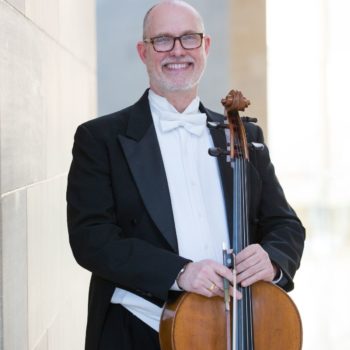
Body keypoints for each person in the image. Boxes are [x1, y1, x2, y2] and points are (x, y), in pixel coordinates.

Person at [66, 1, 305, 349]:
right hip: (138, 329)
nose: (177, 51)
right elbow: (91, 239)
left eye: (189, 39)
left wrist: (273, 259)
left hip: (234, 328)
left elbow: (285, 224)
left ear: (205, 47)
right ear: (143, 52)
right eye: (162, 40)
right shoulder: (100, 138)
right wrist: (179, 272)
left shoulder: (242, 136)